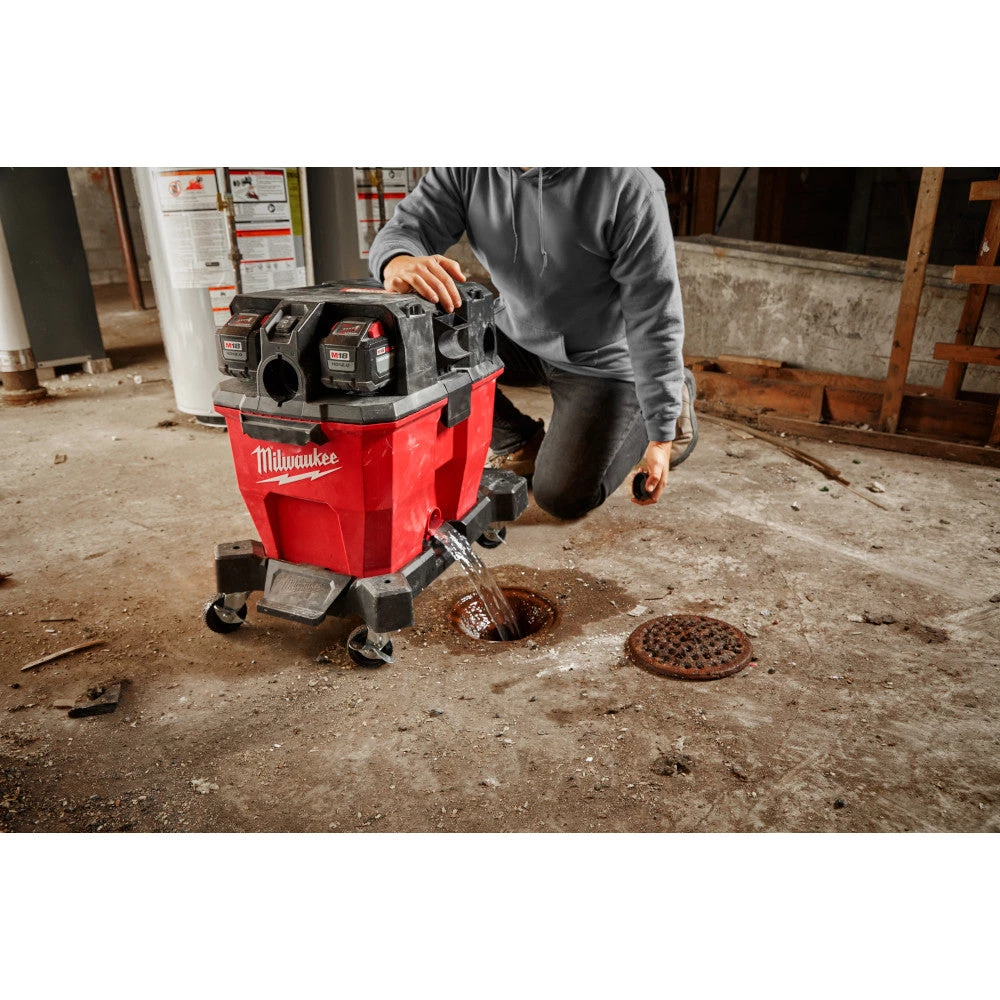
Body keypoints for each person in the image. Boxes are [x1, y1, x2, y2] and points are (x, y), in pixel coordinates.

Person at [368, 167, 697, 520]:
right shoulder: (466, 166)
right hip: (516, 331)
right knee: (422, 344)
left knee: (561, 496)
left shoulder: (628, 185)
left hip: (603, 361)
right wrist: (397, 259)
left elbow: (654, 317)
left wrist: (661, 434)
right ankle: (519, 441)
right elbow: (407, 229)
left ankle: (672, 393)